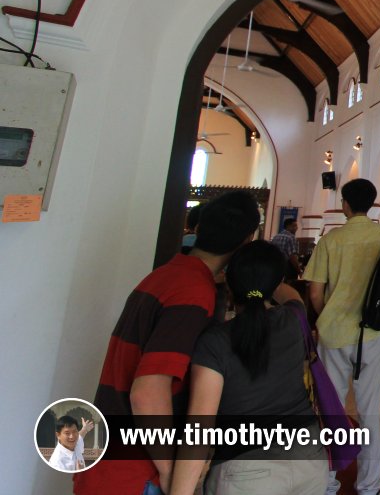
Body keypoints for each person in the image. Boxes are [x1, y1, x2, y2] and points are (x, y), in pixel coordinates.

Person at [74, 190, 262, 495]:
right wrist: (170, 471)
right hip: (135, 471)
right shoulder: (193, 293)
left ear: (199, 228)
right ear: (246, 241)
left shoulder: (164, 276)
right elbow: (147, 391)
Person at [170, 241, 326, 495]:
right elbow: (292, 295)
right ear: (277, 284)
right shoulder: (293, 319)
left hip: (247, 469)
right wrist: (267, 282)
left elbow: (199, 433)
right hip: (310, 456)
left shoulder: (215, 342)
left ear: (228, 283)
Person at [303, 178, 380, 495]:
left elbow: (314, 291)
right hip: (372, 334)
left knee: (330, 410)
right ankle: (369, 485)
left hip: (333, 335)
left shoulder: (332, 240)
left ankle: (328, 483)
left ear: (345, 204)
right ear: (372, 204)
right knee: (369, 412)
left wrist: (326, 315)